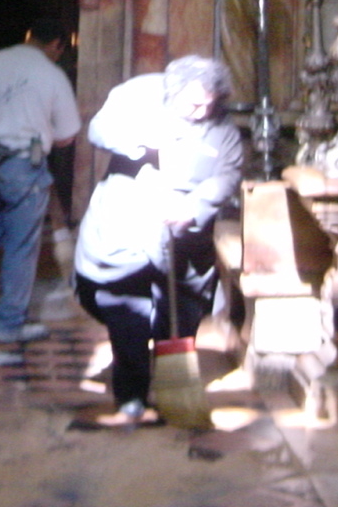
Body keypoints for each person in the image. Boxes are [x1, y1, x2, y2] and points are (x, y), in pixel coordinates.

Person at [74, 55, 243, 428]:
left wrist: (194, 206)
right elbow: (99, 130)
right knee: (126, 312)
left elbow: (228, 175)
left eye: (209, 104)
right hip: (127, 226)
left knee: (180, 319)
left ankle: (174, 391)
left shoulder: (223, 129)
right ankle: (132, 397)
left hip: (185, 237)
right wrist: (143, 139)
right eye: (193, 103)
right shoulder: (140, 95)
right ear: (174, 91)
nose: (201, 111)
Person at [0, 16, 81, 344]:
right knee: (20, 247)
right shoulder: (53, 75)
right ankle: (9, 326)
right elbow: (68, 135)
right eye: (61, 50)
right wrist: (43, 132)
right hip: (25, 170)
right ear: (56, 44)